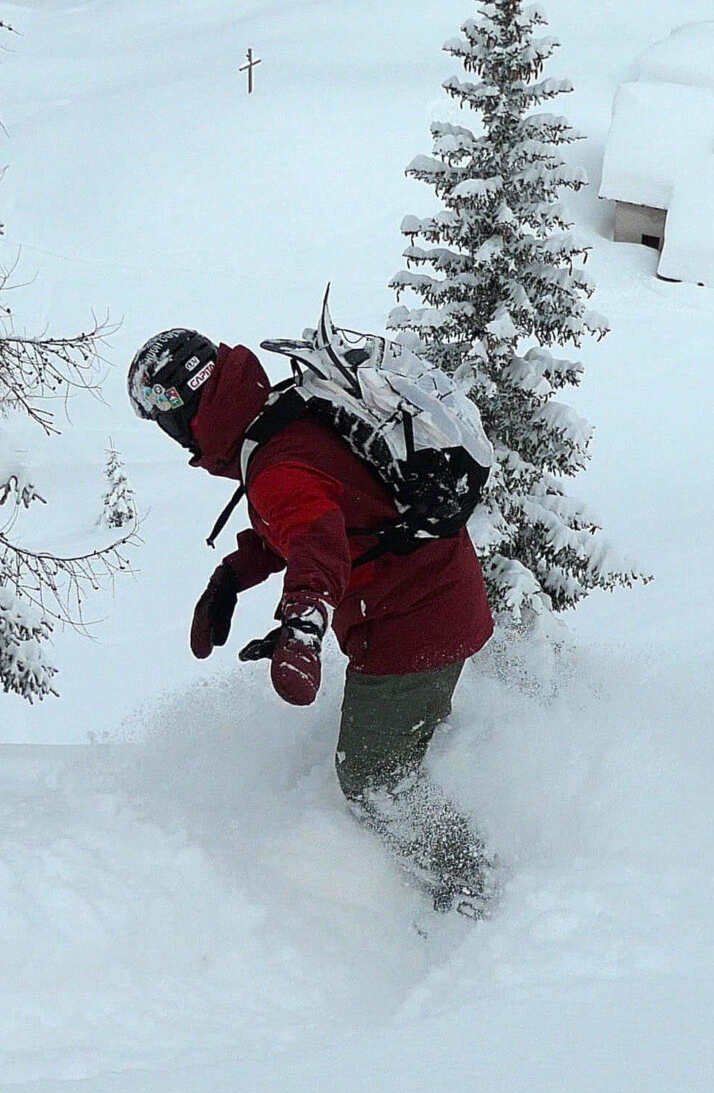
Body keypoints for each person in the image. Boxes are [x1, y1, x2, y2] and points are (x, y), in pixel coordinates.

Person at [128, 328, 498, 916]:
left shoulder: (272, 464)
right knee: (400, 746)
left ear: (186, 414)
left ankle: (475, 888)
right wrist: (233, 575)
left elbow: (320, 539)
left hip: (412, 624)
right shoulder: (278, 411)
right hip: (437, 594)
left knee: (373, 779)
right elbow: (322, 511)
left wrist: (302, 631)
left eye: (163, 419)